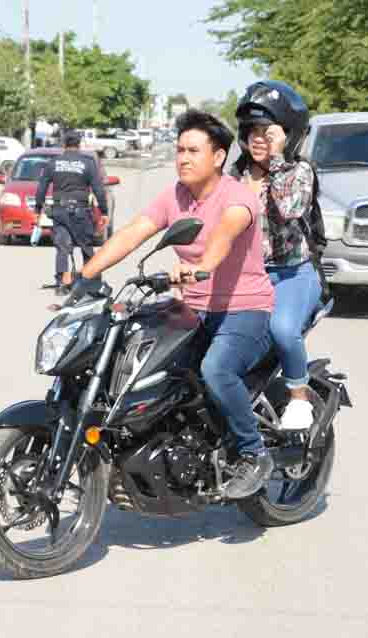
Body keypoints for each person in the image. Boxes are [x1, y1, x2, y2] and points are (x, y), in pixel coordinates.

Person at [76, 110, 276, 498]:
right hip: (194, 308)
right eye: (180, 150)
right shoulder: (175, 196)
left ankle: (254, 452)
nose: (183, 158)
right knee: (142, 358)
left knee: (216, 370)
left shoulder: (237, 197)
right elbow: (133, 232)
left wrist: (201, 268)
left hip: (243, 309)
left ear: (218, 157)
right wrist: (85, 275)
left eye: (193, 151)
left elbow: (223, 236)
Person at [230, 80, 325, 430]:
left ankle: (299, 398)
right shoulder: (234, 176)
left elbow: (290, 208)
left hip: (292, 275)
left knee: (282, 329)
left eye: (268, 132)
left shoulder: (299, 172)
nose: (258, 139)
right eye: (252, 131)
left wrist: (277, 159)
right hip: (246, 278)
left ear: (288, 135)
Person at [33, 131, 110, 295]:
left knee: (62, 247)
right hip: (80, 212)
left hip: (59, 211)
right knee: (86, 247)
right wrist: (104, 211)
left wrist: (37, 210)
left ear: (64, 145)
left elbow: (41, 188)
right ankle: (91, 283)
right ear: (79, 144)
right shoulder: (88, 163)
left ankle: (62, 283)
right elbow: (98, 189)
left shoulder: (53, 163)